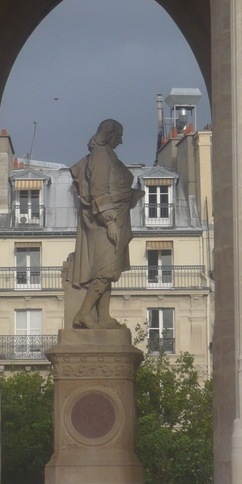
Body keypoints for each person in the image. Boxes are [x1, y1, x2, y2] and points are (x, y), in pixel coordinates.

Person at [68, 119, 142, 329]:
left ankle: (104, 316)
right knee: (105, 269)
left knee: (108, 270)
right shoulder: (101, 156)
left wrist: (131, 195)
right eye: (119, 135)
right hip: (104, 222)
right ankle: (83, 313)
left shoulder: (108, 155)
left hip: (115, 217)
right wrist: (109, 220)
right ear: (110, 135)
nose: (122, 140)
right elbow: (99, 190)